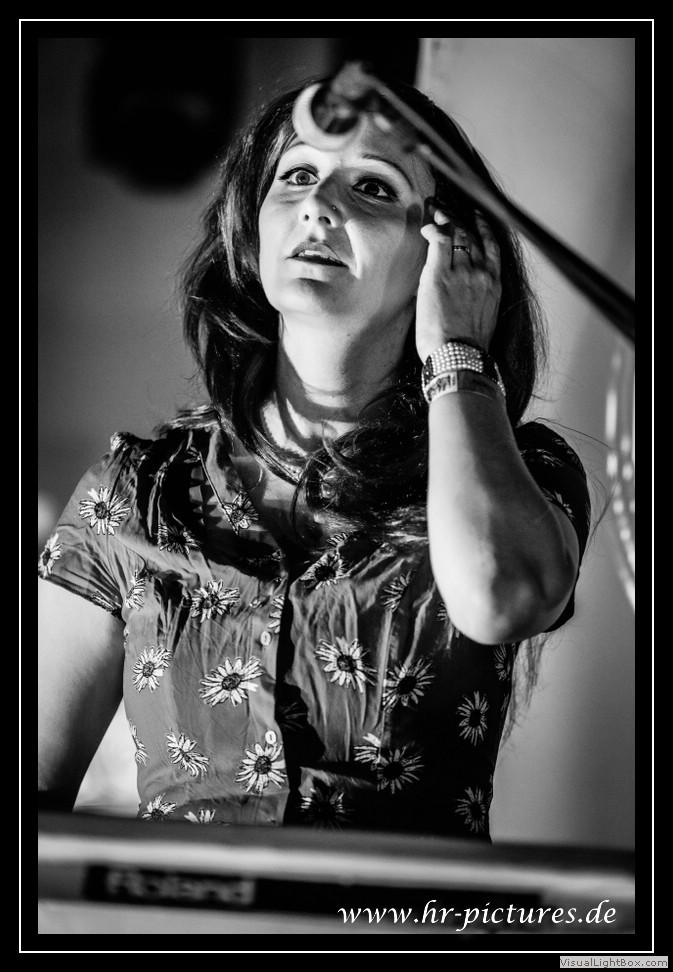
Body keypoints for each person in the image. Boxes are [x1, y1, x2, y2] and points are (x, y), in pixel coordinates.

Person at [37, 75, 590, 839]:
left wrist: (456, 349)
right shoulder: (134, 492)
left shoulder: (524, 467)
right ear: (252, 230)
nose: (318, 205)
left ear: (453, 255)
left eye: (373, 186)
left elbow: (503, 597)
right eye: (296, 175)